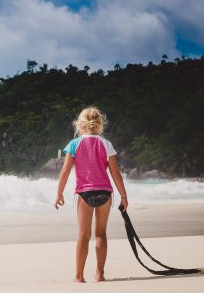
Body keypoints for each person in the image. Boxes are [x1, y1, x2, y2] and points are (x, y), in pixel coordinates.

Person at [54, 107, 128, 283]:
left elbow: (65, 171)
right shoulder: (106, 143)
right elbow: (115, 172)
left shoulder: (74, 144)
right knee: (101, 234)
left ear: (80, 125)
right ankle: (100, 274)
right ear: (99, 125)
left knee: (83, 236)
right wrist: (123, 196)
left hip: (85, 193)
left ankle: (79, 277)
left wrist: (59, 194)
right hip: (105, 192)